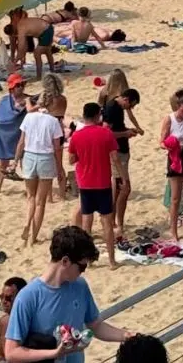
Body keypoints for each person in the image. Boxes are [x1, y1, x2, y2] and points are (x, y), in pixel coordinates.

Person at [3, 225, 133, 363]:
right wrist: (55, 353)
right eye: (82, 266)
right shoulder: (28, 297)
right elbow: (11, 352)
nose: (83, 271)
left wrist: (127, 336)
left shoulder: (80, 286)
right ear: (65, 261)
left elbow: (95, 326)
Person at [67, 101, 119, 266]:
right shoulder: (106, 133)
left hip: (85, 183)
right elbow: (115, 158)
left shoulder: (76, 136)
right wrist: (122, 177)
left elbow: (71, 160)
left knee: (87, 224)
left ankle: (88, 261)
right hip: (102, 182)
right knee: (107, 224)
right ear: (98, 115)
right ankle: (111, 260)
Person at [16, 95, 66, 247]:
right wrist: (59, 167)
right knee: (40, 202)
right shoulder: (53, 122)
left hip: (29, 156)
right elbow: (57, 148)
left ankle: (27, 222)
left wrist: (16, 160)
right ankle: (34, 237)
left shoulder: (29, 117)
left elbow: (21, 142)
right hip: (45, 158)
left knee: (30, 197)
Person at [101, 70, 142, 232]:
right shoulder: (112, 108)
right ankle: (115, 222)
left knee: (120, 190)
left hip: (121, 150)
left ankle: (116, 221)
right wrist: (125, 133)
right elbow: (106, 132)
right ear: (126, 99)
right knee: (122, 188)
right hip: (116, 153)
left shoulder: (117, 107)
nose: (130, 108)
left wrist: (128, 130)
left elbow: (116, 127)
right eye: (130, 105)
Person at [159, 88, 183, 239]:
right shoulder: (169, 119)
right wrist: (173, 145)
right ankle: (174, 231)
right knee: (175, 198)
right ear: (178, 107)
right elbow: (161, 142)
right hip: (175, 157)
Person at [0, 75, 30, 192]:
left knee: (24, 163)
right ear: (11, 88)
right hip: (5, 136)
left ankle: (29, 189)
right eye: (17, 85)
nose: (20, 87)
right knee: (3, 164)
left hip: (21, 135)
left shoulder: (29, 100)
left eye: (22, 85)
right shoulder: (5, 100)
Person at [0, 276, 28, 361]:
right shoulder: (4, 322)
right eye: (1, 297)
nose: (3, 301)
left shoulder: (30, 322)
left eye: (8, 298)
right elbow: (1, 355)